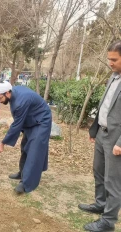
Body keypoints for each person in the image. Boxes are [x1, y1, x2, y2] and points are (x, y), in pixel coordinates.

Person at [78, 40, 121, 232]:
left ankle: (108, 221)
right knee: (99, 172)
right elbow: (105, 104)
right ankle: (100, 204)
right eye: (109, 59)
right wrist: (94, 129)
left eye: (114, 59)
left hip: (116, 140)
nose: (110, 63)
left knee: (113, 181)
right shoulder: (113, 77)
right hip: (102, 134)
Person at [0, 81, 52, 194]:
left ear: (7, 93)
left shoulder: (20, 102)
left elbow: (16, 125)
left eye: (0, 98)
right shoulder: (13, 93)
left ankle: (26, 184)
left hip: (41, 121)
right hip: (31, 120)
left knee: (34, 151)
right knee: (25, 146)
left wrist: (3, 142)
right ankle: (23, 172)